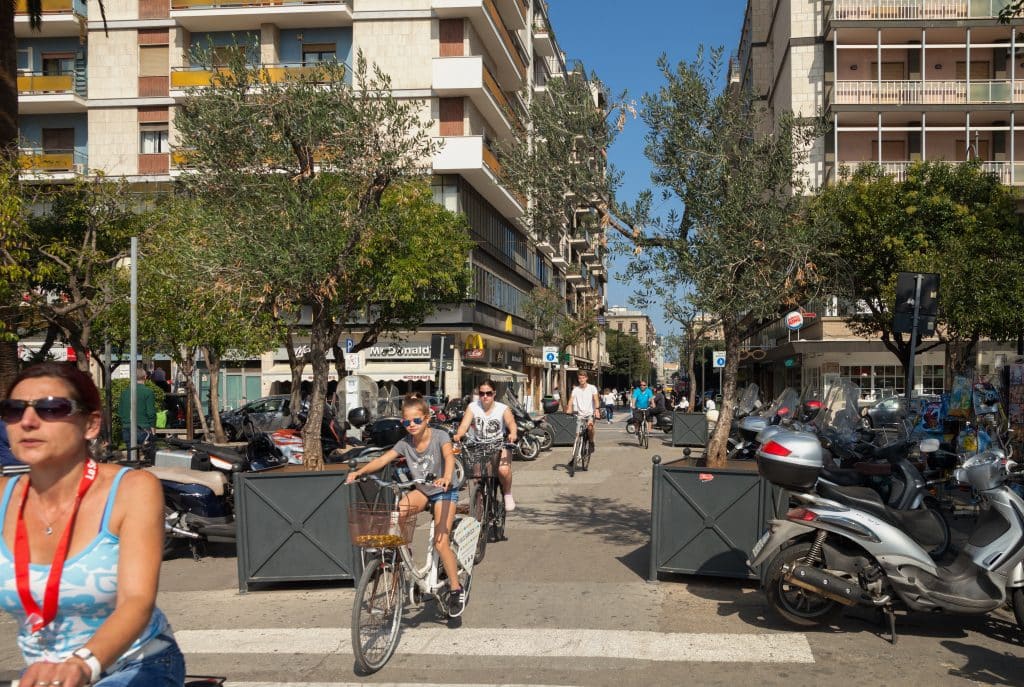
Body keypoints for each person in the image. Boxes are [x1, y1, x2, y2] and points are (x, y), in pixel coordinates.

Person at [0, 362, 185, 685]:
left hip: (133, 666)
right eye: (14, 410)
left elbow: (136, 601)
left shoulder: (131, 489)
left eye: (52, 408)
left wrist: (83, 664)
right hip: (45, 677)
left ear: (91, 424)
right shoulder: (3, 498)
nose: (28, 422)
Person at [346, 392, 467, 617]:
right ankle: (403, 556)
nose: (411, 425)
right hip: (421, 490)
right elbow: (383, 459)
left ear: (427, 418)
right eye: (406, 421)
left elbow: (449, 458)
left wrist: (447, 477)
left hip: (443, 492)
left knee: (441, 542)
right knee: (398, 511)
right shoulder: (404, 443)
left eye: (416, 420)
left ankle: (455, 587)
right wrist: (359, 472)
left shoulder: (440, 436)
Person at [453, 380, 518, 511]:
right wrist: (458, 435)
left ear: (494, 393)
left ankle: (507, 493)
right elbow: (464, 425)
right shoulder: (472, 407)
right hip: (479, 444)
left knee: (503, 470)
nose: (485, 397)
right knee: (477, 476)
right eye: (482, 393)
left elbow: (511, 423)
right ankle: (479, 502)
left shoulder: (502, 408)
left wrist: (513, 433)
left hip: (499, 444)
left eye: (488, 393)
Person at [117, 367, 156, 452]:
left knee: (131, 456)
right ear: (145, 377)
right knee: (149, 456)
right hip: (143, 427)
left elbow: (120, 412)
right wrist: (152, 427)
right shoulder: (148, 392)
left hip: (127, 427)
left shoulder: (124, 393)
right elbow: (151, 412)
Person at [566, 372, 601, 453]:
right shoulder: (576, 389)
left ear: (586, 378)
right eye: (579, 378)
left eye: (583, 378)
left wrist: (597, 409)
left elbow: (596, 399)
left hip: (590, 413)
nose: (581, 380)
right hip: (580, 414)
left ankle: (591, 442)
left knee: (590, 427)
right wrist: (569, 408)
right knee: (577, 435)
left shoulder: (592, 388)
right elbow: (571, 400)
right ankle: (574, 456)